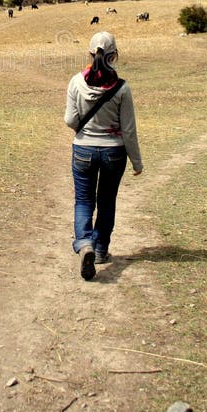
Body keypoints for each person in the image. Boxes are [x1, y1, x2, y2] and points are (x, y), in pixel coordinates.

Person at [64, 31, 143, 280]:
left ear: (90, 54)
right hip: (114, 152)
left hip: (83, 149)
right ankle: (100, 250)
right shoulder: (122, 88)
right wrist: (137, 162)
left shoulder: (76, 82)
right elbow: (128, 130)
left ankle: (85, 244)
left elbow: (70, 119)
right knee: (107, 201)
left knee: (84, 201)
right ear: (114, 56)